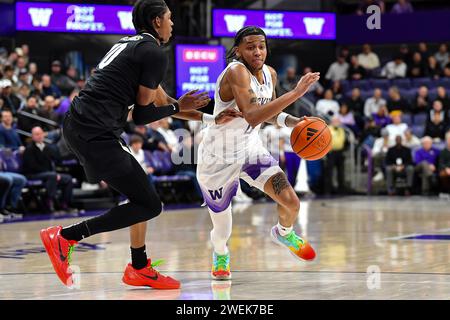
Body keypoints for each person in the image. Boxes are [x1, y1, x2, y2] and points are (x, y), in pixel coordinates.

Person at [39, 0, 240, 290]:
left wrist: (211, 118)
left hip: (83, 125)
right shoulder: (153, 52)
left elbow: (165, 103)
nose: (173, 24)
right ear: (157, 21)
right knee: (149, 204)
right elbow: (144, 115)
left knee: (140, 197)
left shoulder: (131, 45)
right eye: (170, 18)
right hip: (95, 131)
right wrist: (178, 109)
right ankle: (66, 237)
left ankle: (139, 266)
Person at [196, 25, 320, 280]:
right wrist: (296, 93)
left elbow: (270, 113)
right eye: (250, 47)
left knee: (291, 202)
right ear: (238, 51)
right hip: (217, 158)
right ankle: (220, 252)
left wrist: (294, 121)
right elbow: (252, 116)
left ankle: (283, 233)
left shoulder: (271, 74)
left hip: (250, 150)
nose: (257, 51)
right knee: (222, 230)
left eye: (261, 46)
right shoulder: (236, 72)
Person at [22, 127, 74, 212]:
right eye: (36, 134)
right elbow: (32, 166)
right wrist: (52, 173)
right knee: (52, 176)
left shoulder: (48, 147)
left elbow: (57, 159)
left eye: (40, 133)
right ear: (32, 136)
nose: (39, 136)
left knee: (68, 178)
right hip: (33, 174)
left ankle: (65, 203)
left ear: (43, 134)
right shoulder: (29, 149)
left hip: (48, 174)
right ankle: (49, 202)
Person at [438, 131, 450, 196]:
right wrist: (446, 169)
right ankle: (445, 191)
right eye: (449, 140)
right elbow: (441, 163)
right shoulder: (443, 152)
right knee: (443, 174)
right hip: (446, 170)